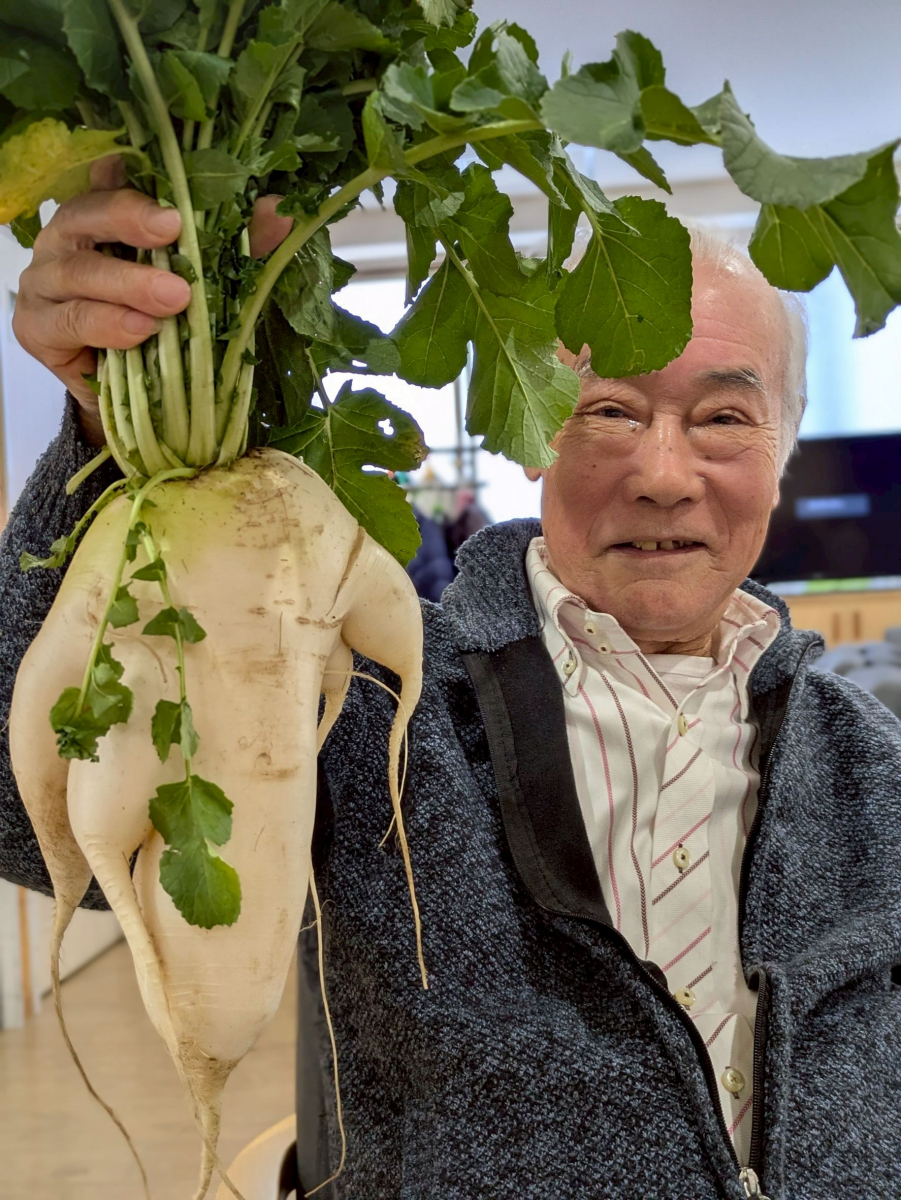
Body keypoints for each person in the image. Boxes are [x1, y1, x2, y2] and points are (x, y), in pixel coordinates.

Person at [2, 182, 900, 1200]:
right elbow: (30, 823)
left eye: (724, 417)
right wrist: (103, 430)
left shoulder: (868, 759)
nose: (663, 473)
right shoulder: (374, 700)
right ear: (534, 426)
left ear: (783, 448)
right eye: (608, 409)